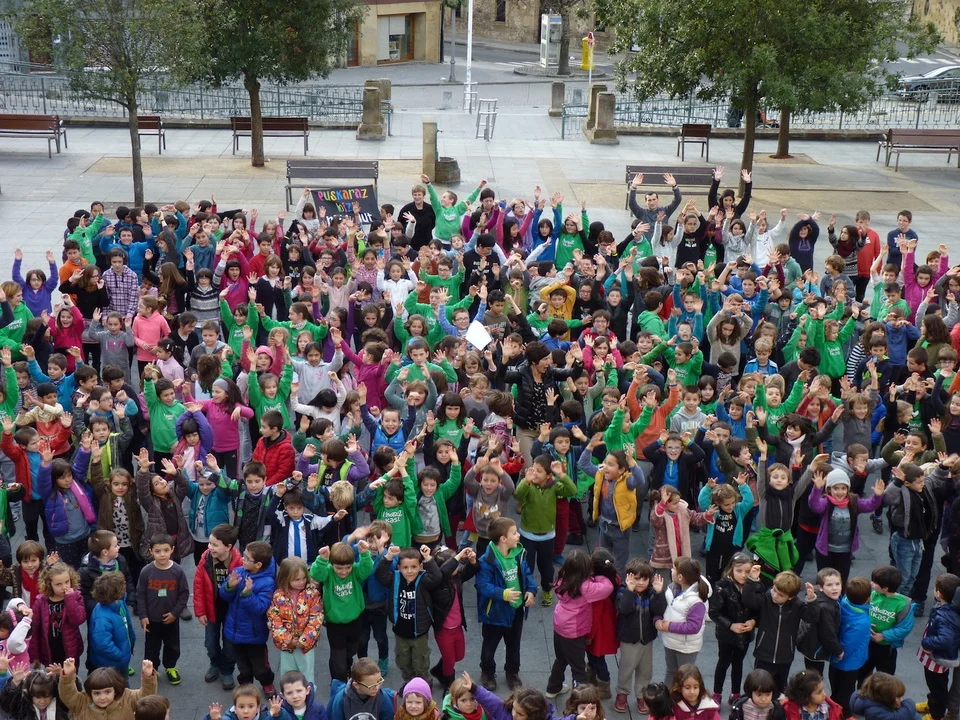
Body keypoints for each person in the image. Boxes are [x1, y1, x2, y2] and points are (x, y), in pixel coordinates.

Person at [475, 517, 537, 692]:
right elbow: (482, 585)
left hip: (516, 609)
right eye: (514, 533)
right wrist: (503, 594)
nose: (518, 535)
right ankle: (487, 672)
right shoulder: (486, 560)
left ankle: (512, 672)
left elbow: (527, 573)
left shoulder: (519, 553)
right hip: (495, 613)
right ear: (503, 539)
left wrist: (531, 590)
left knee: (514, 645)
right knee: (489, 646)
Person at [544, 550, 614, 698]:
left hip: (560, 626)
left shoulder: (562, 579)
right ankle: (580, 700)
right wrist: (599, 576)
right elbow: (608, 587)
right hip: (574, 632)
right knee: (578, 669)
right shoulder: (585, 588)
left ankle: (553, 687)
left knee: (561, 659)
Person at [221, 540, 277, 697]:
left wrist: (247, 594)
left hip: (254, 635)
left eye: (247, 558)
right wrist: (230, 586)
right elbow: (224, 596)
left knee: (260, 665)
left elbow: (260, 608)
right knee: (242, 666)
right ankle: (246, 688)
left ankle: (267, 683)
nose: (242, 559)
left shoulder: (267, 582)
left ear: (258, 564)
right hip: (235, 631)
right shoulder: (239, 572)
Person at [136, 533, 189, 686]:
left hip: (170, 619)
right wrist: (143, 615)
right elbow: (140, 595)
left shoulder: (178, 571)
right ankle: (151, 669)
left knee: (172, 646)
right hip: (152, 619)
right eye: (157, 551)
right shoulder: (146, 571)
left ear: (172, 549)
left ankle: (170, 667)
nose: (162, 554)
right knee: (151, 647)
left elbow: (184, 594)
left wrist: (175, 613)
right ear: (151, 551)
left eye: (166, 550)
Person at [267, 557, 323, 680]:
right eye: (297, 579)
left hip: (306, 646)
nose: (301, 582)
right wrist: (288, 639)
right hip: (287, 645)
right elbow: (274, 619)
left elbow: (316, 617)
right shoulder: (278, 596)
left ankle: (308, 692)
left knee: (307, 676)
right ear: (285, 578)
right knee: (287, 676)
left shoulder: (312, 593)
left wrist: (304, 640)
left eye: (304, 578)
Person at [58, 658, 158, 720]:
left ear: (115, 690)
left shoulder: (127, 697)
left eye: (107, 692)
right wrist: (68, 676)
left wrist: (147, 677)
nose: (102, 697)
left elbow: (146, 696)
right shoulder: (83, 702)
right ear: (90, 693)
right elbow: (68, 695)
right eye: (97, 693)